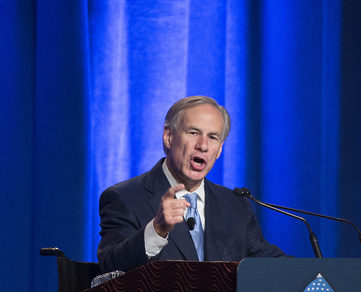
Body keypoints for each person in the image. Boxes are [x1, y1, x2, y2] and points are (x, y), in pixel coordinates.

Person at [97, 95, 284, 273]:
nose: (203, 145)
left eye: (213, 137)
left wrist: (312, 275)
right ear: (168, 137)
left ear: (219, 149)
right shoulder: (124, 197)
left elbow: (267, 263)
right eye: (193, 133)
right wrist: (157, 229)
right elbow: (111, 267)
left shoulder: (235, 204)